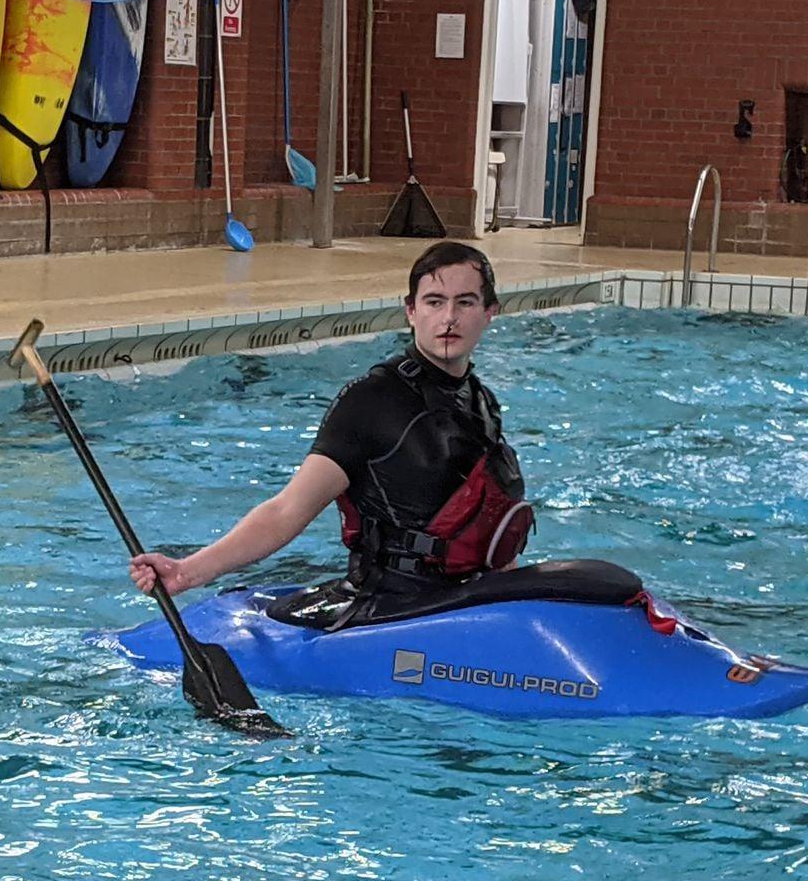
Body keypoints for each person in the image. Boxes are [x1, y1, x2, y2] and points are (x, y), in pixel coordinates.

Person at [129, 241, 535, 624]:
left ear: (489, 312)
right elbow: (286, 511)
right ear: (411, 311)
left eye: (465, 303)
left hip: (458, 599)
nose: (448, 318)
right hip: (387, 605)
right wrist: (187, 572)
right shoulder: (372, 401)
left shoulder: (481, 401)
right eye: (434, 302)